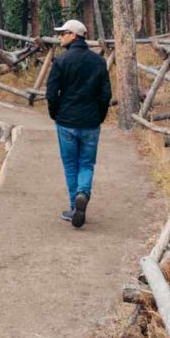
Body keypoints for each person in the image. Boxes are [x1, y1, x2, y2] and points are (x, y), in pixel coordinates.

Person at [46, 18, 112, 229]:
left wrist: (55, 114)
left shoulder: (62, 61)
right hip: (90, 121)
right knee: (86, 163)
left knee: (70, 165)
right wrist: (99, 116)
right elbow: (105, 94)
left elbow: (51, 93)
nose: (60, 37)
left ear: (74, 35)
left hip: (66, 121)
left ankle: (75, 206)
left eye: (63, 33)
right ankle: (83, 193)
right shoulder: (98, 62)